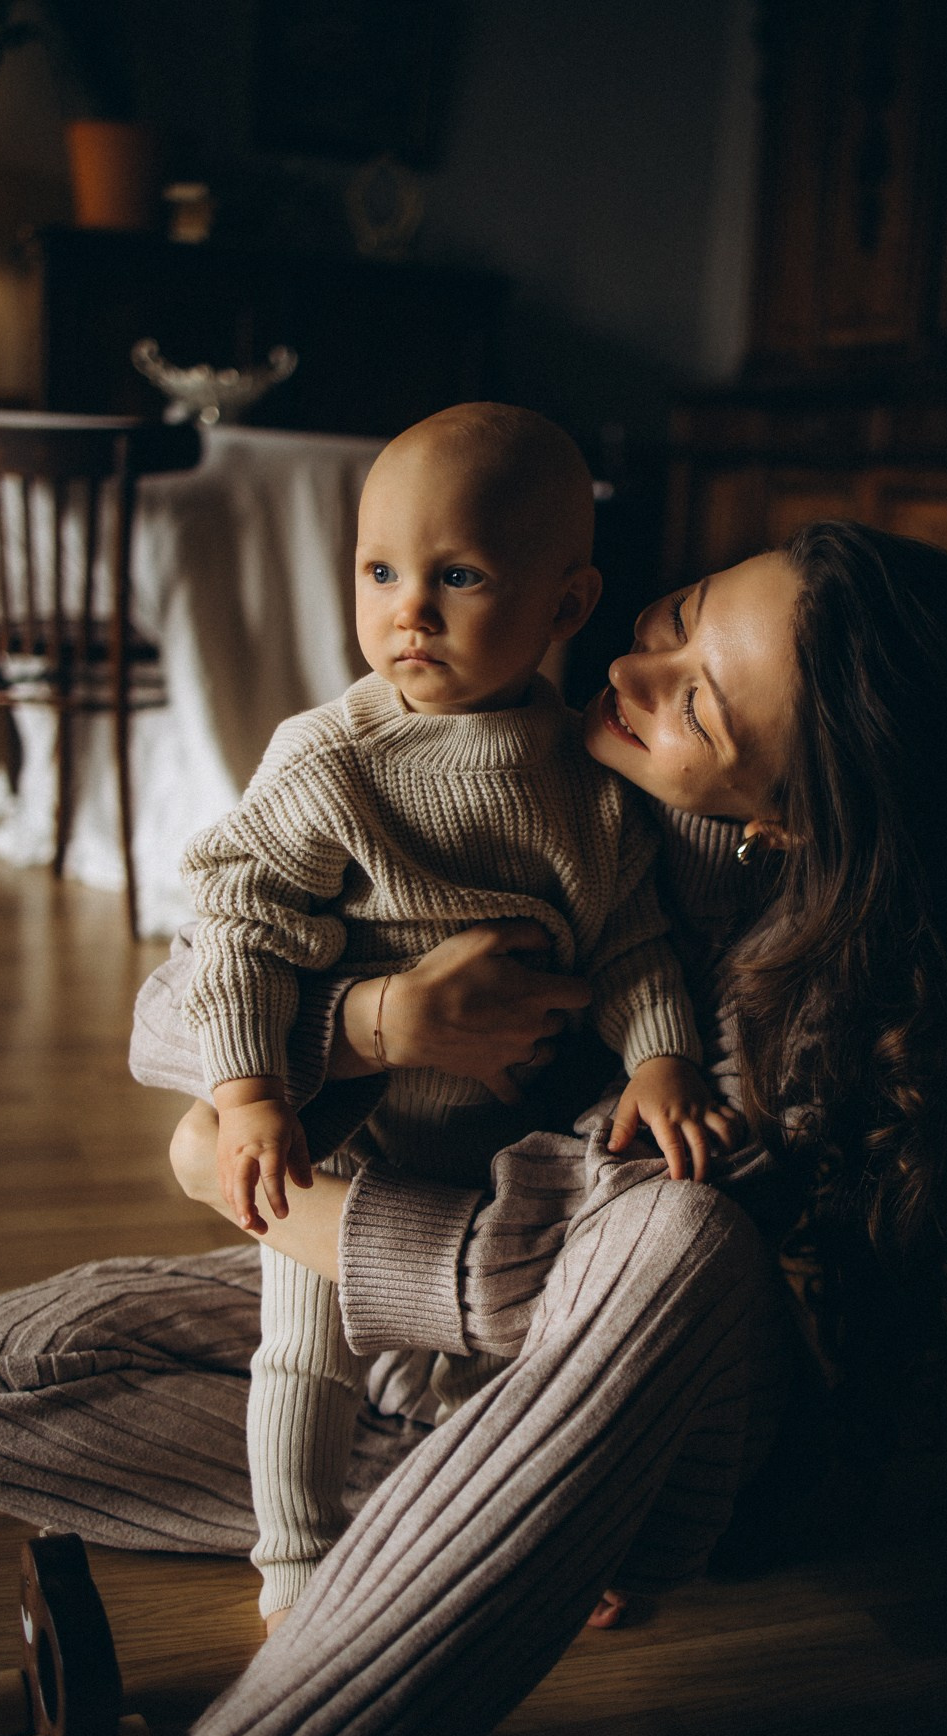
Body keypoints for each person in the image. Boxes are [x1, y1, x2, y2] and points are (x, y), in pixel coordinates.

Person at [0, 524, 947, 1736]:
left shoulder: (831, 981)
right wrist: (374, 1021)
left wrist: (243, 1178)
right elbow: (177, 1006)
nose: (632, 664)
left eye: (694, 698)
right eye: (673, 616)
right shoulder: (469, 754)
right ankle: (510, 1526)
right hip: (423, 1339)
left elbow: (589, 1274)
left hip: (676, 1403)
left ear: (784, 817)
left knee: (678, 1235)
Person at [178, 402, 731, 1625]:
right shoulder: (332, 760)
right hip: (346, 1136)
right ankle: (296, 1566)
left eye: (457, 576)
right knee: (302, 1353)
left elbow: (632, 936)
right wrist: (251, 1096)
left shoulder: (585, 780)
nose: (407, 611)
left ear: (565, 606)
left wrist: (662, 1058)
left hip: (519, 1151)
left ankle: (519, 1521)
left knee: (526, 1367)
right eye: (380, 571)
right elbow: (237, 924)